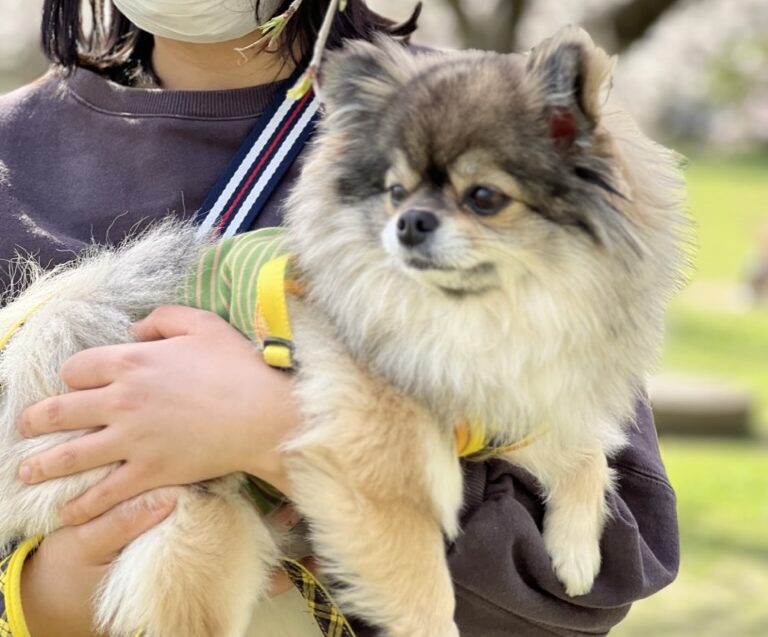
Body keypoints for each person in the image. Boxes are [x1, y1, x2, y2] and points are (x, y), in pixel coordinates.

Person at [0, 1, 680, 635]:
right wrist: (46, 593)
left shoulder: (492, 111)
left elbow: (596, 573)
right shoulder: (14, 155)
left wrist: (285, 434)